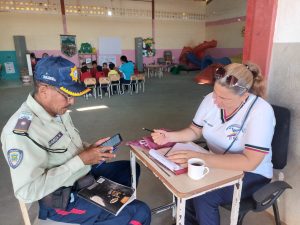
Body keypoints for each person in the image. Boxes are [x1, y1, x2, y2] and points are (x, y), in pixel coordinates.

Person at [1, 56, 151, 225]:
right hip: (61, 200)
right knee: (140, 212)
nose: (72, 102)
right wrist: (81, 160)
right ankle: (110, 214)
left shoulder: (57, 110)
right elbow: (26, 192)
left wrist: (90, 149)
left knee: (130, 170)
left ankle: (107, 213)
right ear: (44, 90)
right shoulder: (21, 133)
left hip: (82, 176)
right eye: (67, 95)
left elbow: (66, 145)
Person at [151, 62, 275, 225]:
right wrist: (169, 137)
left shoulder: (261, 111)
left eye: (224, 98)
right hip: (214, 162)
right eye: (215, 93)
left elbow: (250, 162)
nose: (215, 101)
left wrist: (200, 157)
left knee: (204, 195)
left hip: (252, 173)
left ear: (244, 95)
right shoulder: (210, 100)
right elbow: (195, 130)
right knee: (183, 184)